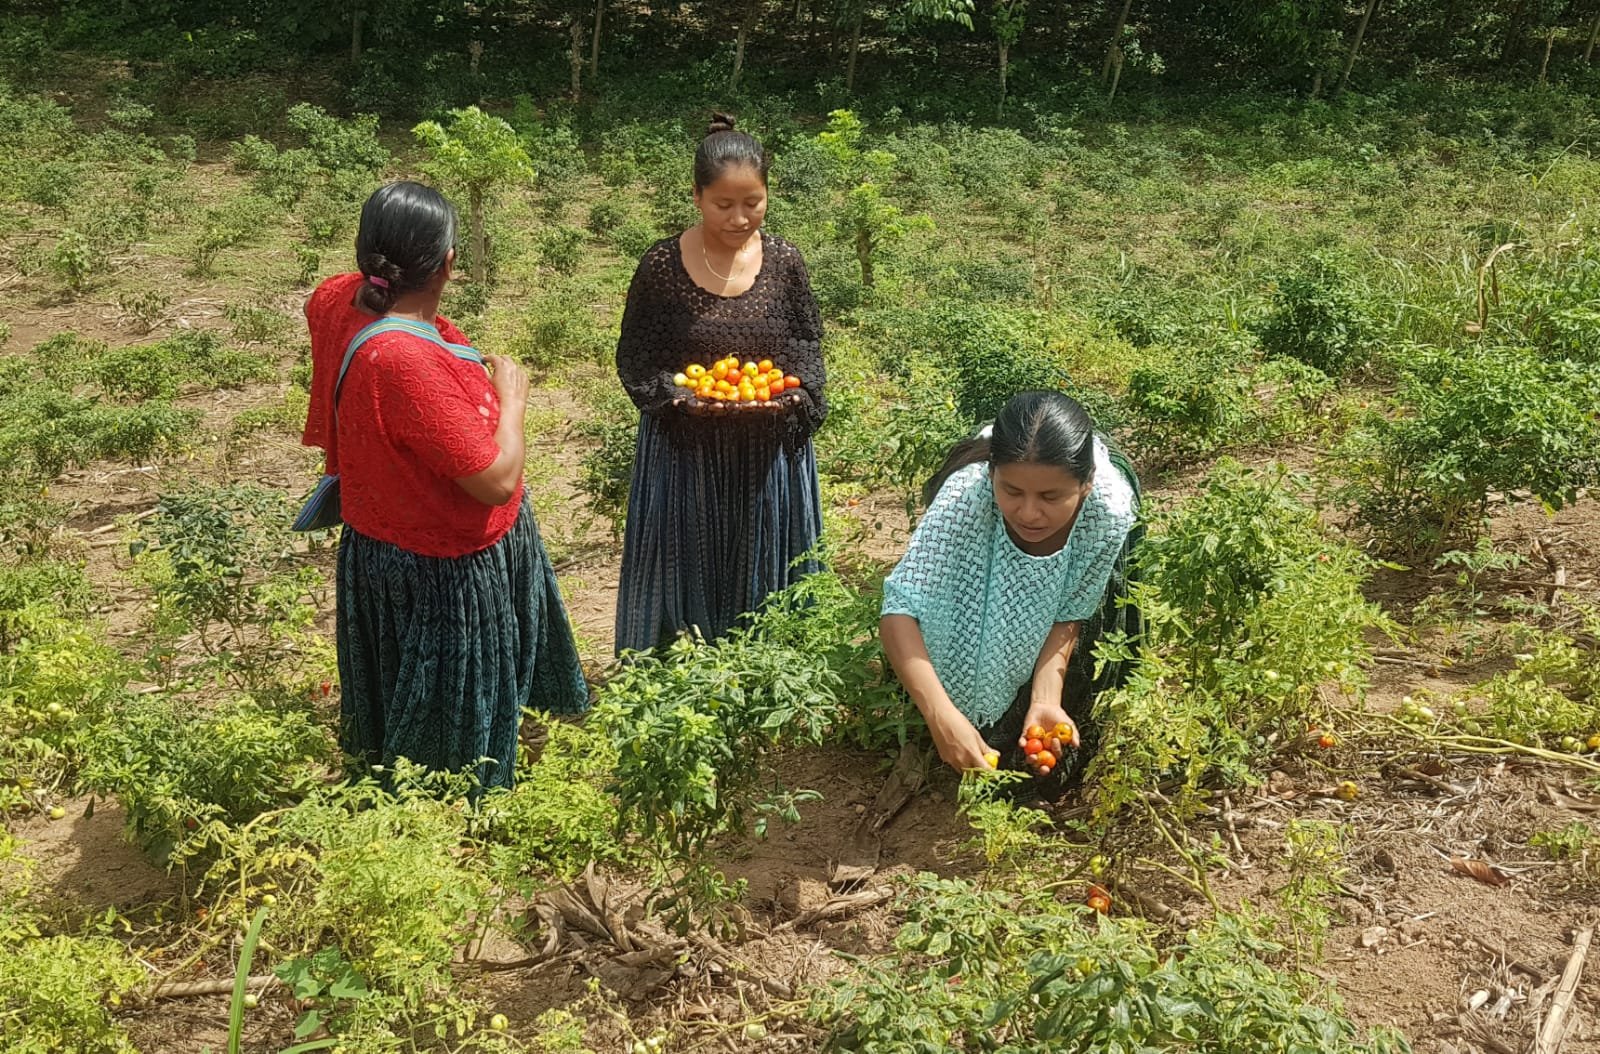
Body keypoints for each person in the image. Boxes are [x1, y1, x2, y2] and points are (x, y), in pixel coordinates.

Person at [301, 180, 588, 793]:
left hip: (379, 544)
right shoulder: (403, 362)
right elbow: (495, 480)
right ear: (449, 263)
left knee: (398, 700)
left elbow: (325, 299)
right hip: (441, 564)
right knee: (449, 743)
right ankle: (453, 805)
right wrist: (512, 401)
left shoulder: (336, 300)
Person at [613, 112, 826, 656]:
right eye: (723, 204)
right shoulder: (662, 264)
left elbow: (805, 344)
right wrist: (682, 400)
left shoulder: (785, 262)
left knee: (767, 573)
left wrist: (795, 396)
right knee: (686, 569)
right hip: (685, 453)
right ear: (696, 196)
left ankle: (767, 664)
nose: (739, 217)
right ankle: (676, 664)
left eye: (753, 202)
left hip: (766, 452)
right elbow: (638, 356)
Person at [879, 391, 1142, 789]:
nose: (1029, 513)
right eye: (1013, 491)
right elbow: (900, 608)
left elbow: (1071, 609)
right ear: (992, 475)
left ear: (1086, 484)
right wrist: (941, 716)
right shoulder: (964, 498)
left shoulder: (1108, 513)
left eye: (1051, 497)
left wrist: (1046, 699)